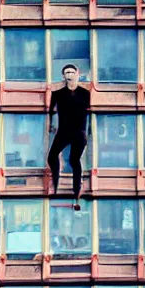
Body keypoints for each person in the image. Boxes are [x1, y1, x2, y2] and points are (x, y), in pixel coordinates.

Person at [48, 64, 91, 210]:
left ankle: (77, 190)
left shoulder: (85, 93)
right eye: (67, 72)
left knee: (74, 160)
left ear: (77, 74)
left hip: (79, 131)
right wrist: (50, 125)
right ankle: (56, 183)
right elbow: (50, 111)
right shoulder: (58, 94)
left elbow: (92, 112)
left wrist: (89, 131)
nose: (70, 75)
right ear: (63, 76)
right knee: (52, 156)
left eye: (72, 72)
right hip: (64, 131)